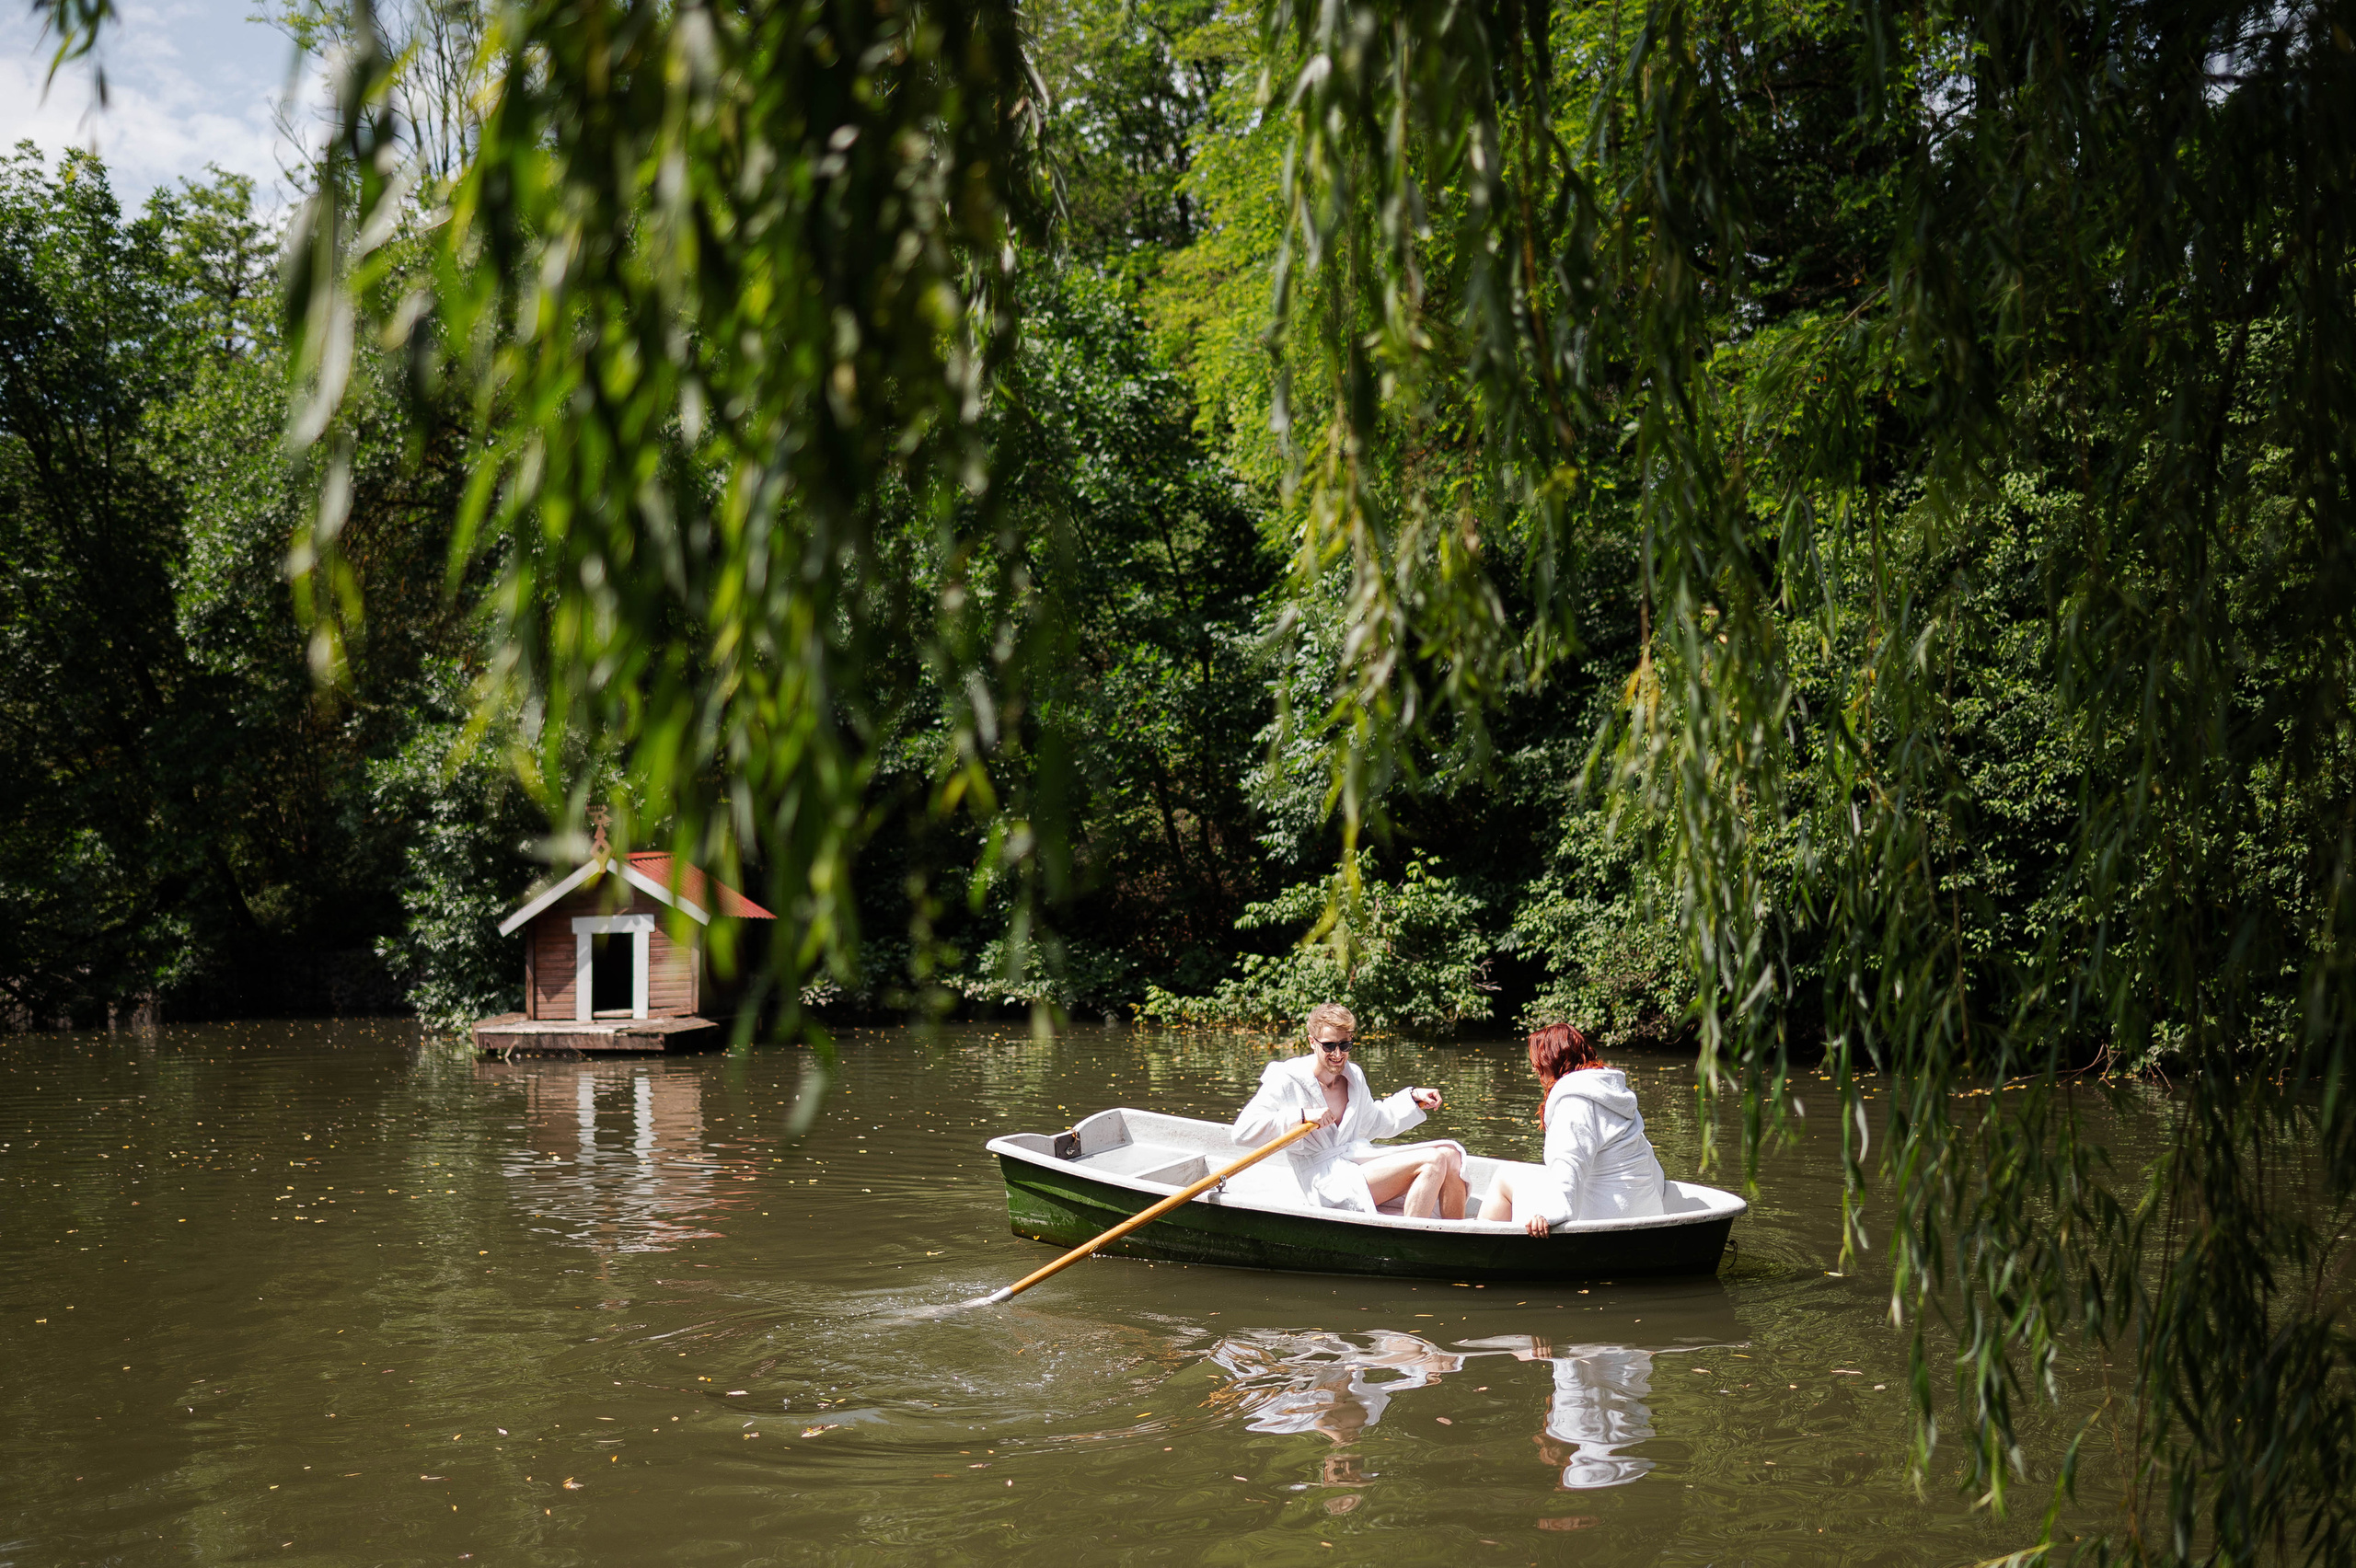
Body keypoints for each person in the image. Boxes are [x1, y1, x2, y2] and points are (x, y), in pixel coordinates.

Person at [1230, 1003, 1468, 1218]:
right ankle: (1413, 1245)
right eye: (1329, 1045)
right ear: (1312, 1042)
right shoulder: (1287, 1080)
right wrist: (1301, 1116)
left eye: (1344, 1045)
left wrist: (1413, 1099)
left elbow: (1374, 1122)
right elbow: (1242, 1132)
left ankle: (1456, 1238)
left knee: (1450, 1154)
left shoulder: (1353, 1076)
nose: (1337, 1054)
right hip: (1323, 1180)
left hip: (1354, 1162)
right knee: (1432, 1160)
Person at [1478, 1022, 1666, 1235]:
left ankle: (1476, 1245)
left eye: (1537, 1064)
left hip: (1605, 1218)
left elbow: (1570, 1160)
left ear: (1553, 1061)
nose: (1534, 1069)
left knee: (1505, 1175)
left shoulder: (1574, 1101)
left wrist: (1552, 1213)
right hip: (1648, 1212)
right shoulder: (1612, 1094)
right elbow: (1645, 1156)